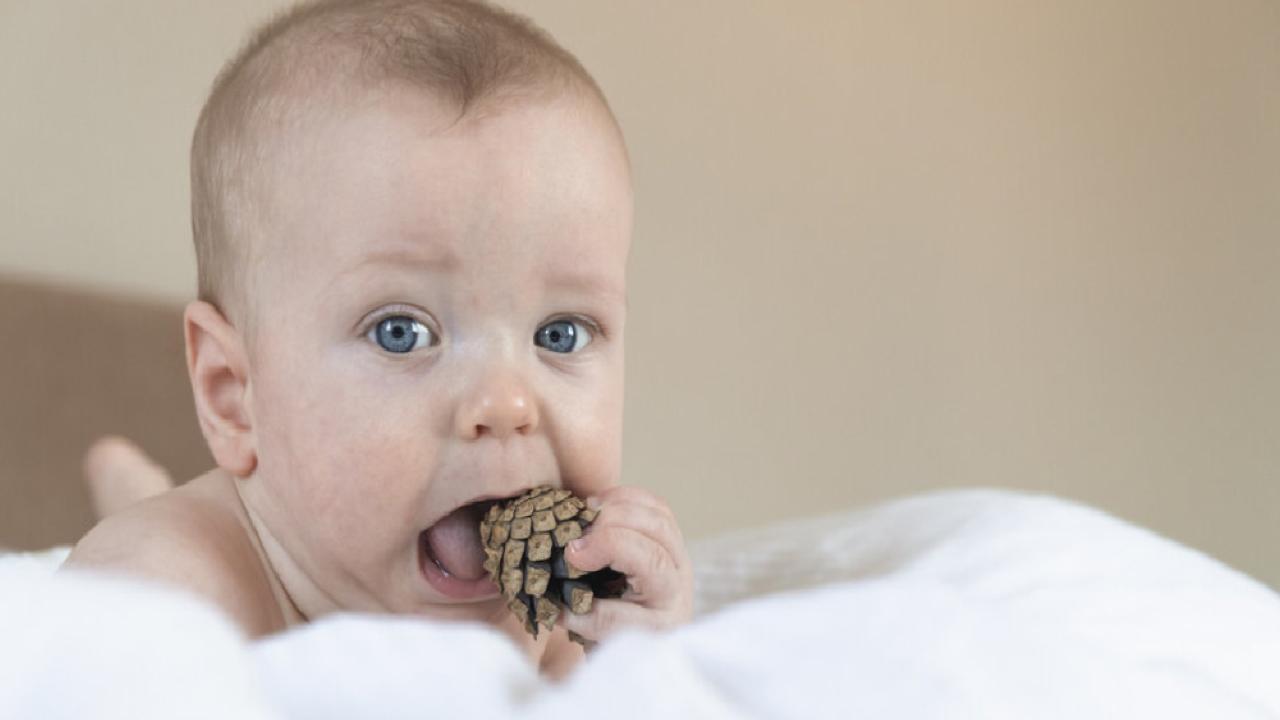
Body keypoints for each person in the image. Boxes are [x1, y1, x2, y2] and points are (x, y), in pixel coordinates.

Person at [62, 0, 693, 681]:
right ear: (234, 398)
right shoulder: (163, 597)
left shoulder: (549, 616)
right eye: (403, 333)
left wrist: (637, 656)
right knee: (152, 521)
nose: (508, 404)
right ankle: (135, 490)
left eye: (559, 334)